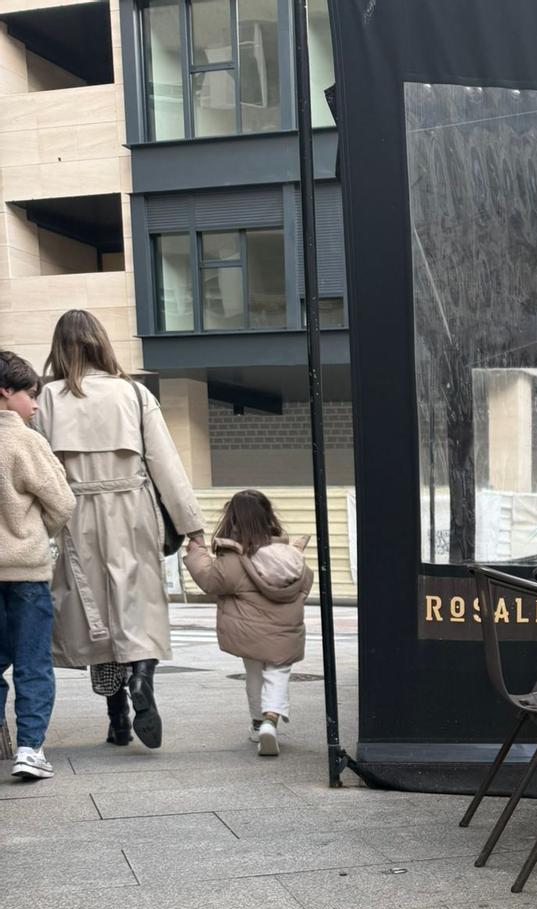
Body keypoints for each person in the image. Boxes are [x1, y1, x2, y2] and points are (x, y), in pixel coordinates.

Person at [35, 310, 204, 750]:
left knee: (95, 614)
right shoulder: (133, 392)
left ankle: (118, 720)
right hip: (132, 508)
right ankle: (143, 676)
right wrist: (192, 526)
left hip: (73, 514)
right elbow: (166, 464)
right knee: (137, 603)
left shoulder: (47, 397)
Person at [183, 490, 312, 756]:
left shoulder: (234, 559)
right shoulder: (289, 554)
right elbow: (305, 582)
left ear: (233, 520)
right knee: (278, 674)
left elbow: (209, 581)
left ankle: (257, 722)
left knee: (254, 674)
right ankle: (271, 719)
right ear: (269, 516)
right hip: (284, 632)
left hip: (249, 632)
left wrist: (197, 553)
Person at [0, 351, 76, 780]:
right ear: (6, 392)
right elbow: (62, 501)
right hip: (26, 572)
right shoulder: (26, 441)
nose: (34, 405)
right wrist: (37, 530)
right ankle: (30, 748)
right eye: (30, 395)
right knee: (33, 663)